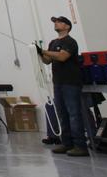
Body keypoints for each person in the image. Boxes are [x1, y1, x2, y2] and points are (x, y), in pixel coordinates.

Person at [38, 15, 89, 158]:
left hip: (70, 82)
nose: (56, 24)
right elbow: (47, 60)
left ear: (67, 26)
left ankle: (80, 146)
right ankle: (67, 143)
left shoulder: (70, 42)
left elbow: (62, 57)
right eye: (55, 22)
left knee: (73, 114)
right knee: (62, 113)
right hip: (58, 82)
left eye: (59, 22)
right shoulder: (53, 42)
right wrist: (38, 52)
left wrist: (44, 51)